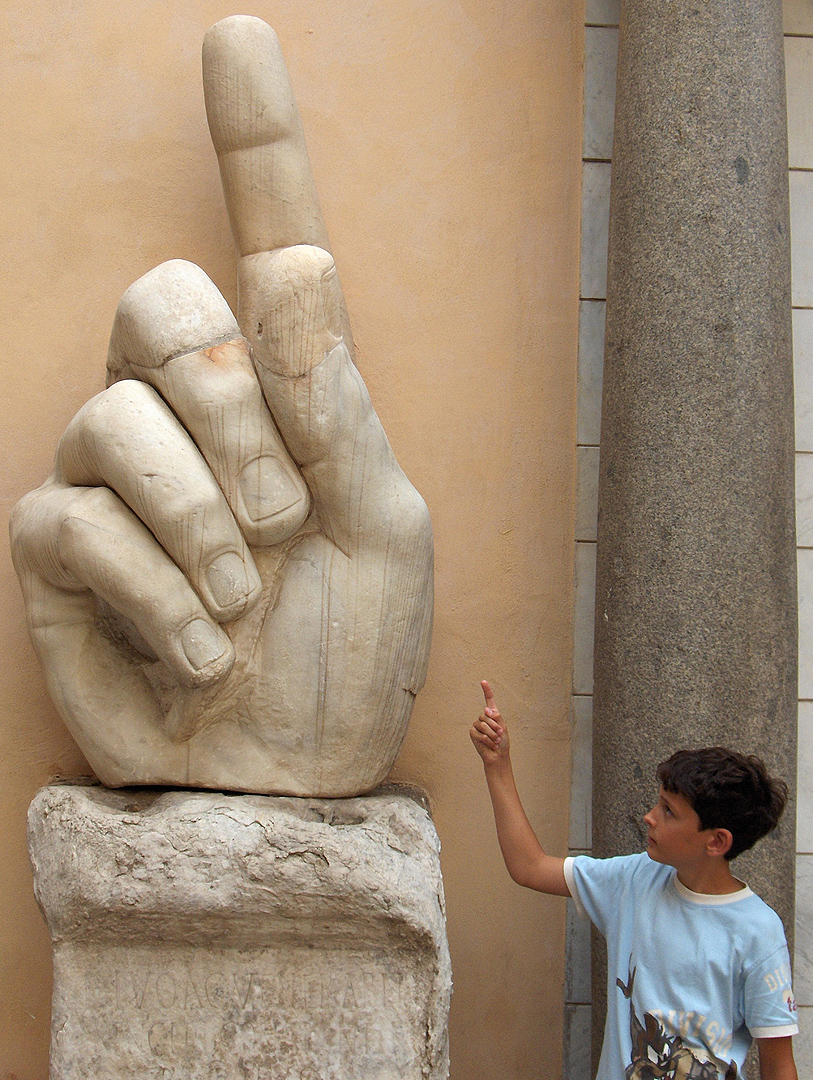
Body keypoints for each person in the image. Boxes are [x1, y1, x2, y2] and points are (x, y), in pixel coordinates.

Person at [470, 680, 799, 1080]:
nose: (649, 817)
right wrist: (497, 766)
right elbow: (529, 866)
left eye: (669, 811)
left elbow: (780, 1067)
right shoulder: (633, 880)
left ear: (716, 841)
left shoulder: (759, 931)